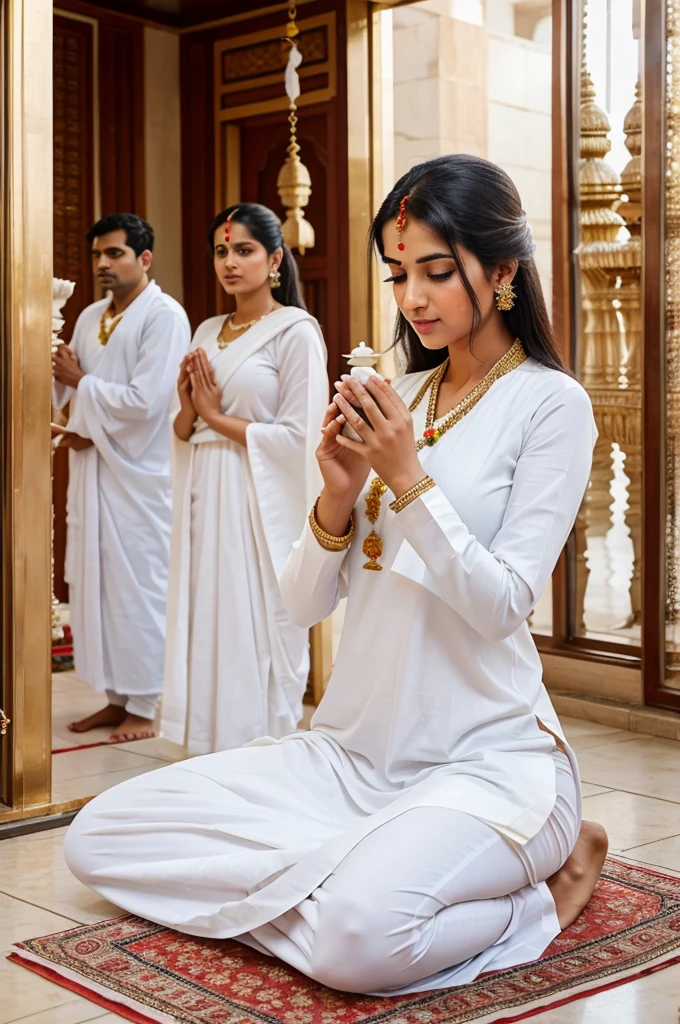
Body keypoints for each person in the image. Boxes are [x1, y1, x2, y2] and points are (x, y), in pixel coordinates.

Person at [65, 155, 608, 994]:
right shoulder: (401, 395)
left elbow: (503, 606)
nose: (412, 299)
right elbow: (302, 604)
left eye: (435, 272)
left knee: (360, 943)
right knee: (98, 836)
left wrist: (406, 479)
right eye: (398, 275)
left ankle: (544, 893)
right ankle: (351, 870)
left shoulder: (550, 405)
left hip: (489, 763)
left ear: (501, 270)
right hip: (351, 755)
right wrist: (335, 498)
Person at [161, 203, 327, 753]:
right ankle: (208, 745)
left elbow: (300, 438)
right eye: (220, 251)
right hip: (204, 494)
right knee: (207, 612)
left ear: (275, 258)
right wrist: (189, 409)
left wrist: (212, 415)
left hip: (259, 502)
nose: (229, 262)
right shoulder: (207, 330)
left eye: (243, 250)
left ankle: (256, 746)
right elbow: (180, 430)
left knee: (253, 616)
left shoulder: (295, 333)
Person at [52, 213, 191, 743]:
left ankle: (147, 703)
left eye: (115, 254)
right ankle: (114, 697)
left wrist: (80, 382)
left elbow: (148, 402)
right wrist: (65, 386)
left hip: (142, 475)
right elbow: (68, 393)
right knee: (97, 584)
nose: (104, 264)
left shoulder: (164, 317)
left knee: (140, 587)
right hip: (94, 471)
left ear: (144, 259)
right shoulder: (88, 316)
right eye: (97, 256)